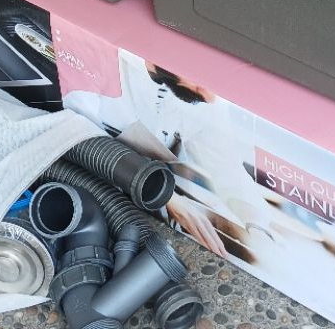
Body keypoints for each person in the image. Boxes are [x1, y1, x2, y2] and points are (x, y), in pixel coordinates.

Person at [63, 50, 274, 258]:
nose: (210, 98)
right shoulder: (99, 55)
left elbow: (227, 168)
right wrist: (164, 196)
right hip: (92, 190)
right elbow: (78, 138)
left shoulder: (209, 97)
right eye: (203, 82)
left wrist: (257, 228)